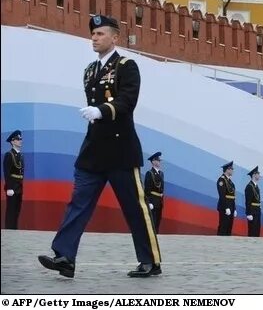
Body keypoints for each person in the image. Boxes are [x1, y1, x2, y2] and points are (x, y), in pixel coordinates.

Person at [37, 15, 161, 278]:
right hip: (94, 150)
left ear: (115, 37)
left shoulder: (127, 66)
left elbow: (127, 101)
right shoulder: (90, 70)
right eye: (93, 34)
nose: (94, 38)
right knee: (78, 203)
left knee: (134, 208)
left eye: (101, 34)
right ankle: (64, 257)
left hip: (120, 149)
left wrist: (102, 110)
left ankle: (150, 261)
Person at [4, 130, 24, 229]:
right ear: (12, 141)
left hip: (19, 186)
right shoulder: (9, 155)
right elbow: (7, 172)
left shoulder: (21, 155)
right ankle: (9, 230)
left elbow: (21, 172)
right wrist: (9, 187)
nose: (20, 141)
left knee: (17, 210)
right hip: (12, 186)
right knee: (11, 210)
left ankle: (14, 230)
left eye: (20, 139)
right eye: (18, 139)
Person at [143, 152, 165, 234]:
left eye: (159, 161)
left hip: (159, 201)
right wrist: (149, 202)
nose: (159, 162)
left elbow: (162, 188)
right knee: (153, 220)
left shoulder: (161, 173)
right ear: (153, 162)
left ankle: (157, 236)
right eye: (157, 160)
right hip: (153, 201)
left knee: (158, 221)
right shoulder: (149, 173)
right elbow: (147, 190)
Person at [216, 161, 236, 236]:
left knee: (229, 228)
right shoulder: (221, 180)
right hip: (224, 207)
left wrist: (234, 208)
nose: (232, 170)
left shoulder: (230, 182)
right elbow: (222, 195)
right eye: (231, 169)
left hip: (231, 206)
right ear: (227, 170)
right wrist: (226, 207)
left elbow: (233, 197)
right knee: (223, 227)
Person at [245, 166, 262, 237]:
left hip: (257, 210)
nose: (259, 175)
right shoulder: (249, 186)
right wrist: (248, 213)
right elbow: (248, 201)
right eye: (258, 173)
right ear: (254, 175)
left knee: (257, 230)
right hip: (252, 211)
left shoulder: (256, 186)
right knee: (252, 231)